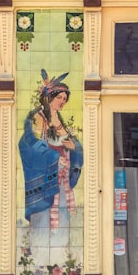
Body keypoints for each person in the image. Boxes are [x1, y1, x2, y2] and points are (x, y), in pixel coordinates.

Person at [18, 70, 83, 251]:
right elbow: (29, 144)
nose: (63, 101)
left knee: (62, 213)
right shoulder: (38, 117)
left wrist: (73, 147)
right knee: (43, 215)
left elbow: (70, 142)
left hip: (61, 176)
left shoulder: (59, 118)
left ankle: (60, 254)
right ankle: (39, 256)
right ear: (50, 96)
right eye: (60, 97)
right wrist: (53, 158)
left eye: (65, 98)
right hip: (46, 175)